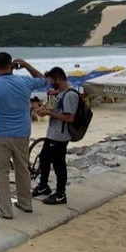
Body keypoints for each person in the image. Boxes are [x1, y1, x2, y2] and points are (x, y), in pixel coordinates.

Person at [0, 52, 48, 219]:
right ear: (12, 65)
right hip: (21, 134)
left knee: (1, 173)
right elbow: (44, 80)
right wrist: (26, 65)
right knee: (22, 169)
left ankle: (6, 210)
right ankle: (25, 203)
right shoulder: (24, 82)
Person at [33, 67, 79, 205]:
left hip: (60, 136)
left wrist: (49, 114)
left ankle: (60, 194)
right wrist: (45, 109)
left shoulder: (70, 95)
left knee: (59, 164)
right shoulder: (61, 92)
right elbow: (57, 108)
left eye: (52, 81)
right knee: (44, 158)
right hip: (53, 133)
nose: (51, 84)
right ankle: (43, 186)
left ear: (59, 79)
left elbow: (70, 118)